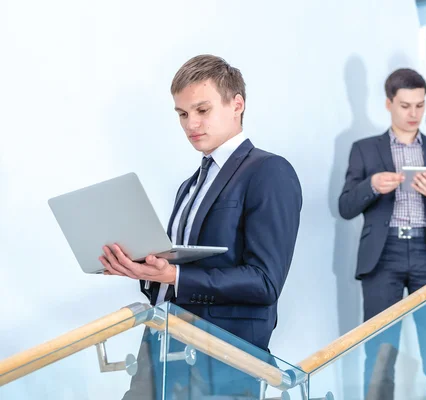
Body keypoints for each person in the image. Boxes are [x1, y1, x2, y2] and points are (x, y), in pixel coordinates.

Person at [100, 54, 303, 398]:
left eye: (202, 110)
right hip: (163, 346)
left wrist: (175, 277)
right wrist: (143, 270)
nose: (190, 123)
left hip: (222, 361)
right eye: (182, 114)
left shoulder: (269, 172)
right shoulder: (190, 185)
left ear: (237, 104)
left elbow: (265, 282)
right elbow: (177, 272)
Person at [339, 68, 426, 400]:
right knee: (380, 352)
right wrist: (372, 186)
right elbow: (345, 206)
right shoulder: (364, 150)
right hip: (383, 255)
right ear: (389, 103)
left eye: (420, 106)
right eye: (406, 106)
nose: (414, 114)